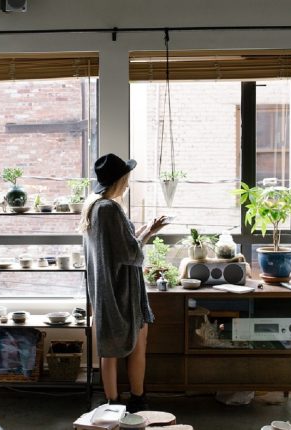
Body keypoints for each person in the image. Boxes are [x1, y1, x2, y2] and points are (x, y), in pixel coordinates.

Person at [79, 153, 168, 413]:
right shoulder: (110, 209)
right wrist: (147, 235)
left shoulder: (94, 207)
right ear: (120, 179)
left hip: (105, 290)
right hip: (122, 291)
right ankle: (138, 400)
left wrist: (147, 230)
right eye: (127, 177)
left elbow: (120, 246)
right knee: (138, 345)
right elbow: (130, 254)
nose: (128, 182)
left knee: (108, 348)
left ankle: (112, 404)